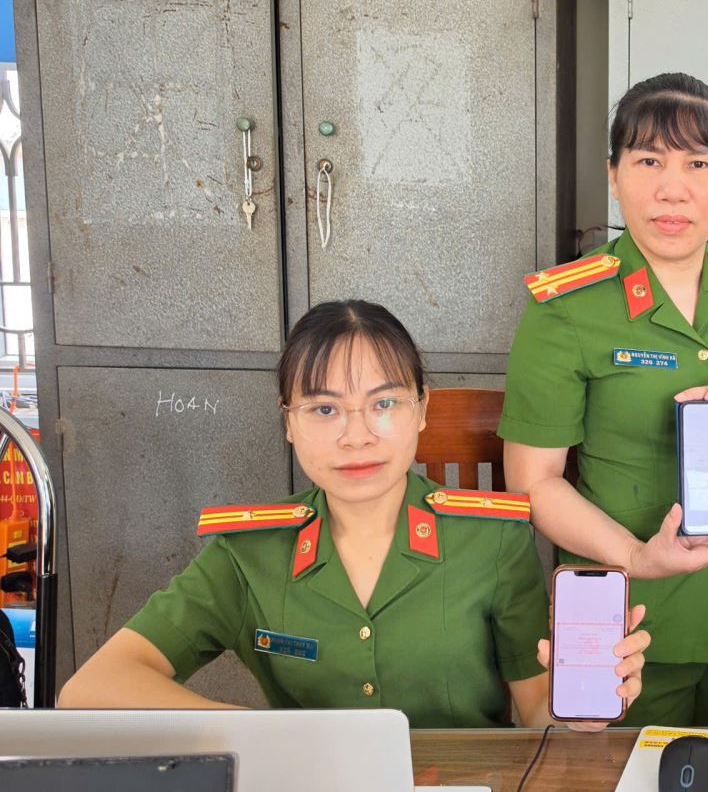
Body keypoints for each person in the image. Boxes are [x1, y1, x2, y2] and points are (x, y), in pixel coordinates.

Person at [59, 300, 649, 729]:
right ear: (288, 423)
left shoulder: (491, 540)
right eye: (324, 410)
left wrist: (584, 710)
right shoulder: (249, 552)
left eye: (383, 403)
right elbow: (92, 688)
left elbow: (536, 709)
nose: (356, 436)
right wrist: (258, 733)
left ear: (422, 410)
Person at [499, 73, 708, 726]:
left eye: (699, 163)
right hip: (625, 614)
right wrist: (635, 556)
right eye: (649, 161)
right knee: (617, 768)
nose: (673, 189)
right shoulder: (566, 306)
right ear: (614, 175)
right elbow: (533, 481)